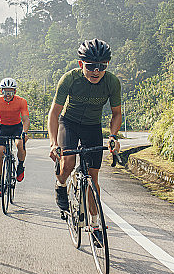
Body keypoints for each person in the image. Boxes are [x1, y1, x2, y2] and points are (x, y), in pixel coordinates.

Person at [48, 38, 122, 244]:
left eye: (102, 66)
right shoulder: (69, 79)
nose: (96, 71)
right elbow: (54, 113)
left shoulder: (112, 82)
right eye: (91, 66)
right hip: (69, 123)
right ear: (81, 64)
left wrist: (113, 136)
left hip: (92, 127)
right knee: (69, 162)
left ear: (107, 65)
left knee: (93, 179)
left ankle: (95, 224)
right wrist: (54, 143)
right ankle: (61, 184)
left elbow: (116, 114)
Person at [0, 78, 30, 197]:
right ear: (1, 91)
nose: (8, 95)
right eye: (6, 92)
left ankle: (20, 166)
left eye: (10, 92)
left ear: (15, 92)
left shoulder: (21, 101)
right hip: (3, 128)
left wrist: (24, 132)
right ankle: (0, 185)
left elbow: (25, 119)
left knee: (20, 144)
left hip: (17, 127)